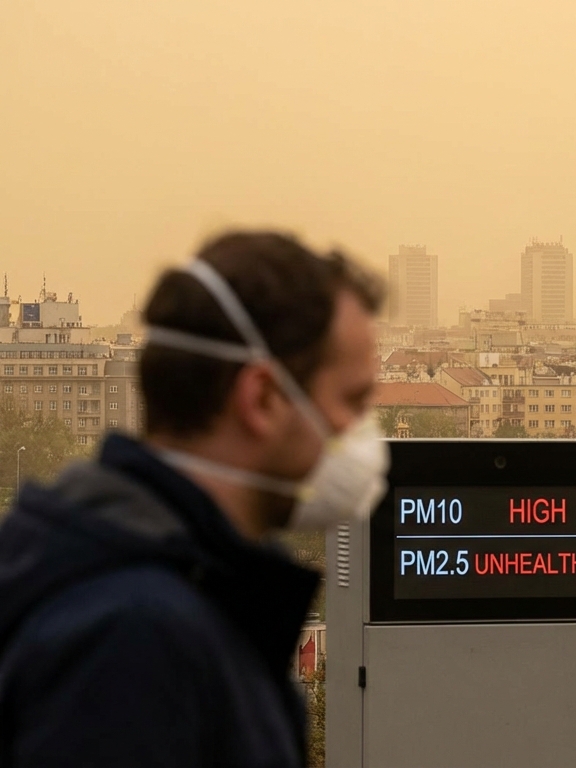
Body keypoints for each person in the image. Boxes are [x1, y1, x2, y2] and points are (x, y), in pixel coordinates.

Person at [0, 231, 388, 767]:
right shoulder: (133, 638)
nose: (365, 432)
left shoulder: (186, 583)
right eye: (353, 401)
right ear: (262, 398)